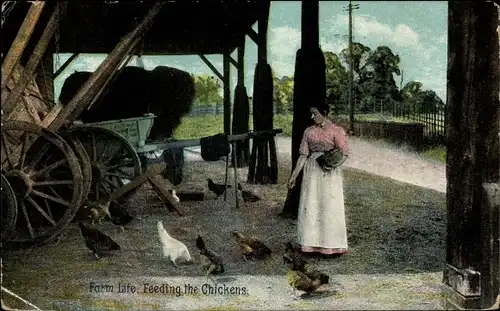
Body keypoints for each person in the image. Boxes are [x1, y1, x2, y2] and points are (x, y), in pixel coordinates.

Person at [287, 105, 349, 256]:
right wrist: (294, 176)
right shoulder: (309, 131)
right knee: (312, 203)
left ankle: (331, 245)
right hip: (312, 171)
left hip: (330, 172)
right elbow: (303, 155)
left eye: (315, 114)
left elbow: (344, 153)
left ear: (325, 113)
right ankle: (310, 243)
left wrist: (332, 163)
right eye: (311, 114)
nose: (312, 117)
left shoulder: (337, 131)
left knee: (329, 205)